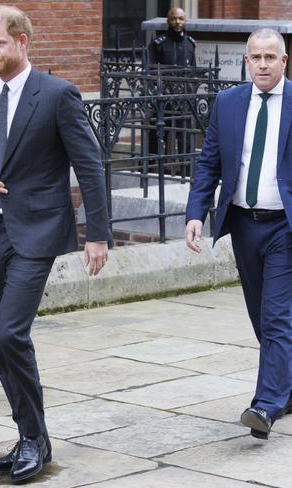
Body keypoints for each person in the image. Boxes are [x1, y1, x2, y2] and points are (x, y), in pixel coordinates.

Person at [0, 5, 109, 482]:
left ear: (23, 42)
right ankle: (33, 436)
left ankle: (32, 438)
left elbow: (89, 166)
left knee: (11, 334)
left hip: (39, 232)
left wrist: (98, 235)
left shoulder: (58, 95)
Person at [185, 28, 292, 440]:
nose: (262, 64)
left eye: (270, 57)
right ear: (246, 62)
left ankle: (265, 405)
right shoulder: (228, 103)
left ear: (284, 61)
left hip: (285, 226)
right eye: (255, 57)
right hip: (244, 224)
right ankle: (285, 386)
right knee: (259, 317)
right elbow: (208, 162)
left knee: (276, 315)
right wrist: (197, 212)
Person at [147, 7, 197, 157]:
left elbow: (192, 71)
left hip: (183, 99)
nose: (177, 22)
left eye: (181, 19)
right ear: (168, 20)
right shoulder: (159, 43)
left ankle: (186, 173)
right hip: (163, 98)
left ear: (185, 20)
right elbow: (150, 70)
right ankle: (148, 168)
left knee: (185, 138)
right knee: (157, 136)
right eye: (174, 19)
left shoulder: (190, 44)